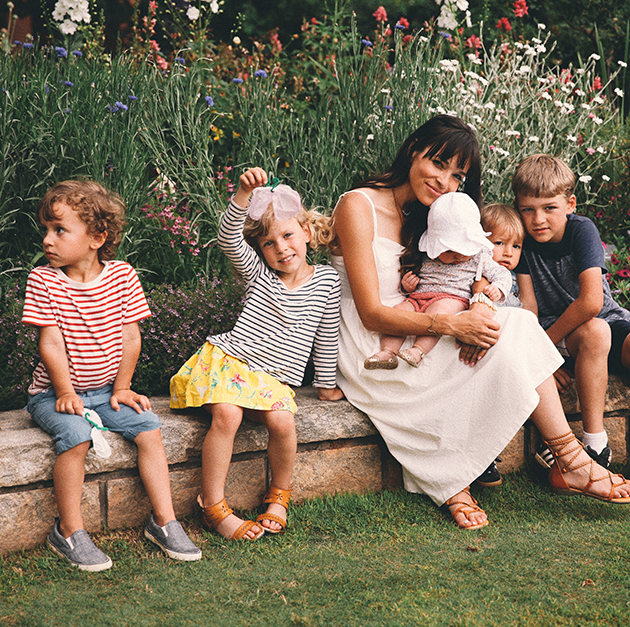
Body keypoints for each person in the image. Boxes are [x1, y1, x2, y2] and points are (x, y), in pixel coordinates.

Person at [330, 115, 630, 531]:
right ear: (414, 148)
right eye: (438, 164)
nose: (444, 183)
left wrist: (479, 314)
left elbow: (473, 277)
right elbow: (370, 312)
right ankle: (566, 462)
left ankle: (570, 458)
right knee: (513, 332)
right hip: (379, 345)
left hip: (427, 326)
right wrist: (455, 328)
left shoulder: (434, 215)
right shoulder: (357, 205)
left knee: (518, 327)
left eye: (458, 176)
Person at [22, 180, 202, 572]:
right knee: (75, 437)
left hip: (105, 391)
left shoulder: (122, 276)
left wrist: (122, 387)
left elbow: (130, 337)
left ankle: (164, 521)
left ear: (97, 237)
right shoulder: (44, 280)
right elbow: (50, 344)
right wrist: (65, 391)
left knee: (149, 428)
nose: (48, 240)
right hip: (53, 394)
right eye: (46, 231)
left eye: (59, 230)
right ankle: (68, 530)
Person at [170, 167, 343, 541]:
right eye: (269, 243)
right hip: (230, 363)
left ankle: (279, 496)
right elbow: (229, 239)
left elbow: (327, 337)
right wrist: (241, 197)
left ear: (308, 233)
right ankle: (212, 506)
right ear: (260, 250)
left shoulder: (328, 282)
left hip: (270, 381)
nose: (281, 248)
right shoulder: (258, 276)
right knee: (228, 415)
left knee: (283, 422)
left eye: (288, 235)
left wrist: (327, 385)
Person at [513, 154, 630, 470]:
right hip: (564, 332)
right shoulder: (521, 241)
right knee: (596, 332)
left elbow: (594, 302)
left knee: (605, 327)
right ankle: (595, 447)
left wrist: (544, 349)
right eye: (528, 209)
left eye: (549, 208)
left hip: (607, 319)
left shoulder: (582, 230)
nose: (538, 219)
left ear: (570, 204)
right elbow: (529, 306)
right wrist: (541, 357)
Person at [365, 192, 512, 370]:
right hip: (418, 298)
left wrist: (498, 288)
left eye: (463, 249)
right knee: (400, 311)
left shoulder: (478, 256)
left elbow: (502, 274)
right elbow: (412, 280)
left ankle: (418, 351)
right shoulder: (428, 254)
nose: (458, 255)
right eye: (449, 250)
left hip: (452, 299)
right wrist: (406, 286)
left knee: (439, 314)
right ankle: (388, 352)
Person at [480, 203, 525, 309]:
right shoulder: (476, 273)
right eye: (499, 243)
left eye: (516, 246)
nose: (509, 253)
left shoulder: (515, 277)